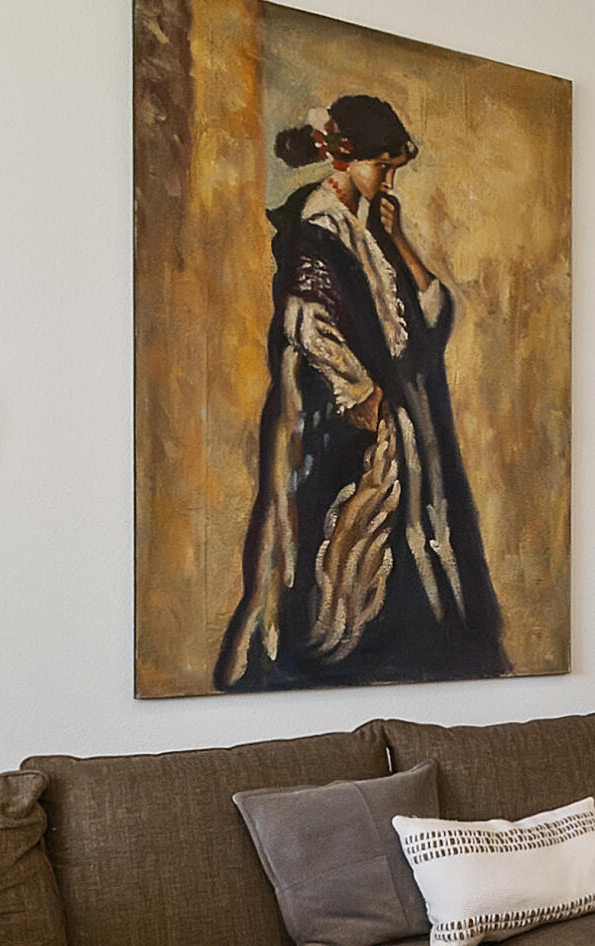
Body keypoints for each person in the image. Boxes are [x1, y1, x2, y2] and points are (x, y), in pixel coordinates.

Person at [216, 93, 509, 689]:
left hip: (397, 419)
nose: (387, 180)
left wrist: (400, 240)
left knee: (416, 544)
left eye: (393, 169)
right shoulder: (320, 227)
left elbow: (432, 313)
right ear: (343, 158)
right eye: (382, 167)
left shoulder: (372, 232)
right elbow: (305, 323)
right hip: (337, 426)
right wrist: (361, 394)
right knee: (340, 552)